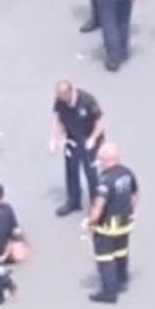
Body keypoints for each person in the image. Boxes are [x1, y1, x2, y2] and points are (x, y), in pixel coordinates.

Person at [81, 142, 139, 303]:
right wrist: (133, 212)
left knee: (105, 257)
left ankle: (109, 291)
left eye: (100, 159)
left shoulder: (105, 181)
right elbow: (135, 194)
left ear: (106, 159)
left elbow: (99, 205)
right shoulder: (127, 173)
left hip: (108, 227)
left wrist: (90, 221)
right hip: (125, 222)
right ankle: (122, 279)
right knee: (121, 252)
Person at [49, 80, 107, 216]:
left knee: (91, 173)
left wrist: (92, 139)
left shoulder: (87, 101)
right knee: (71, 169)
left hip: (90, 139)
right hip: (73, 138)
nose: (61, 100)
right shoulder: (60, 101)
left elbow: (101, 121)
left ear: (70, 92)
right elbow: (59, 120)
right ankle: (74, 201)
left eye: (63, 96)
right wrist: (54, 139)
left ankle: (96, 205)